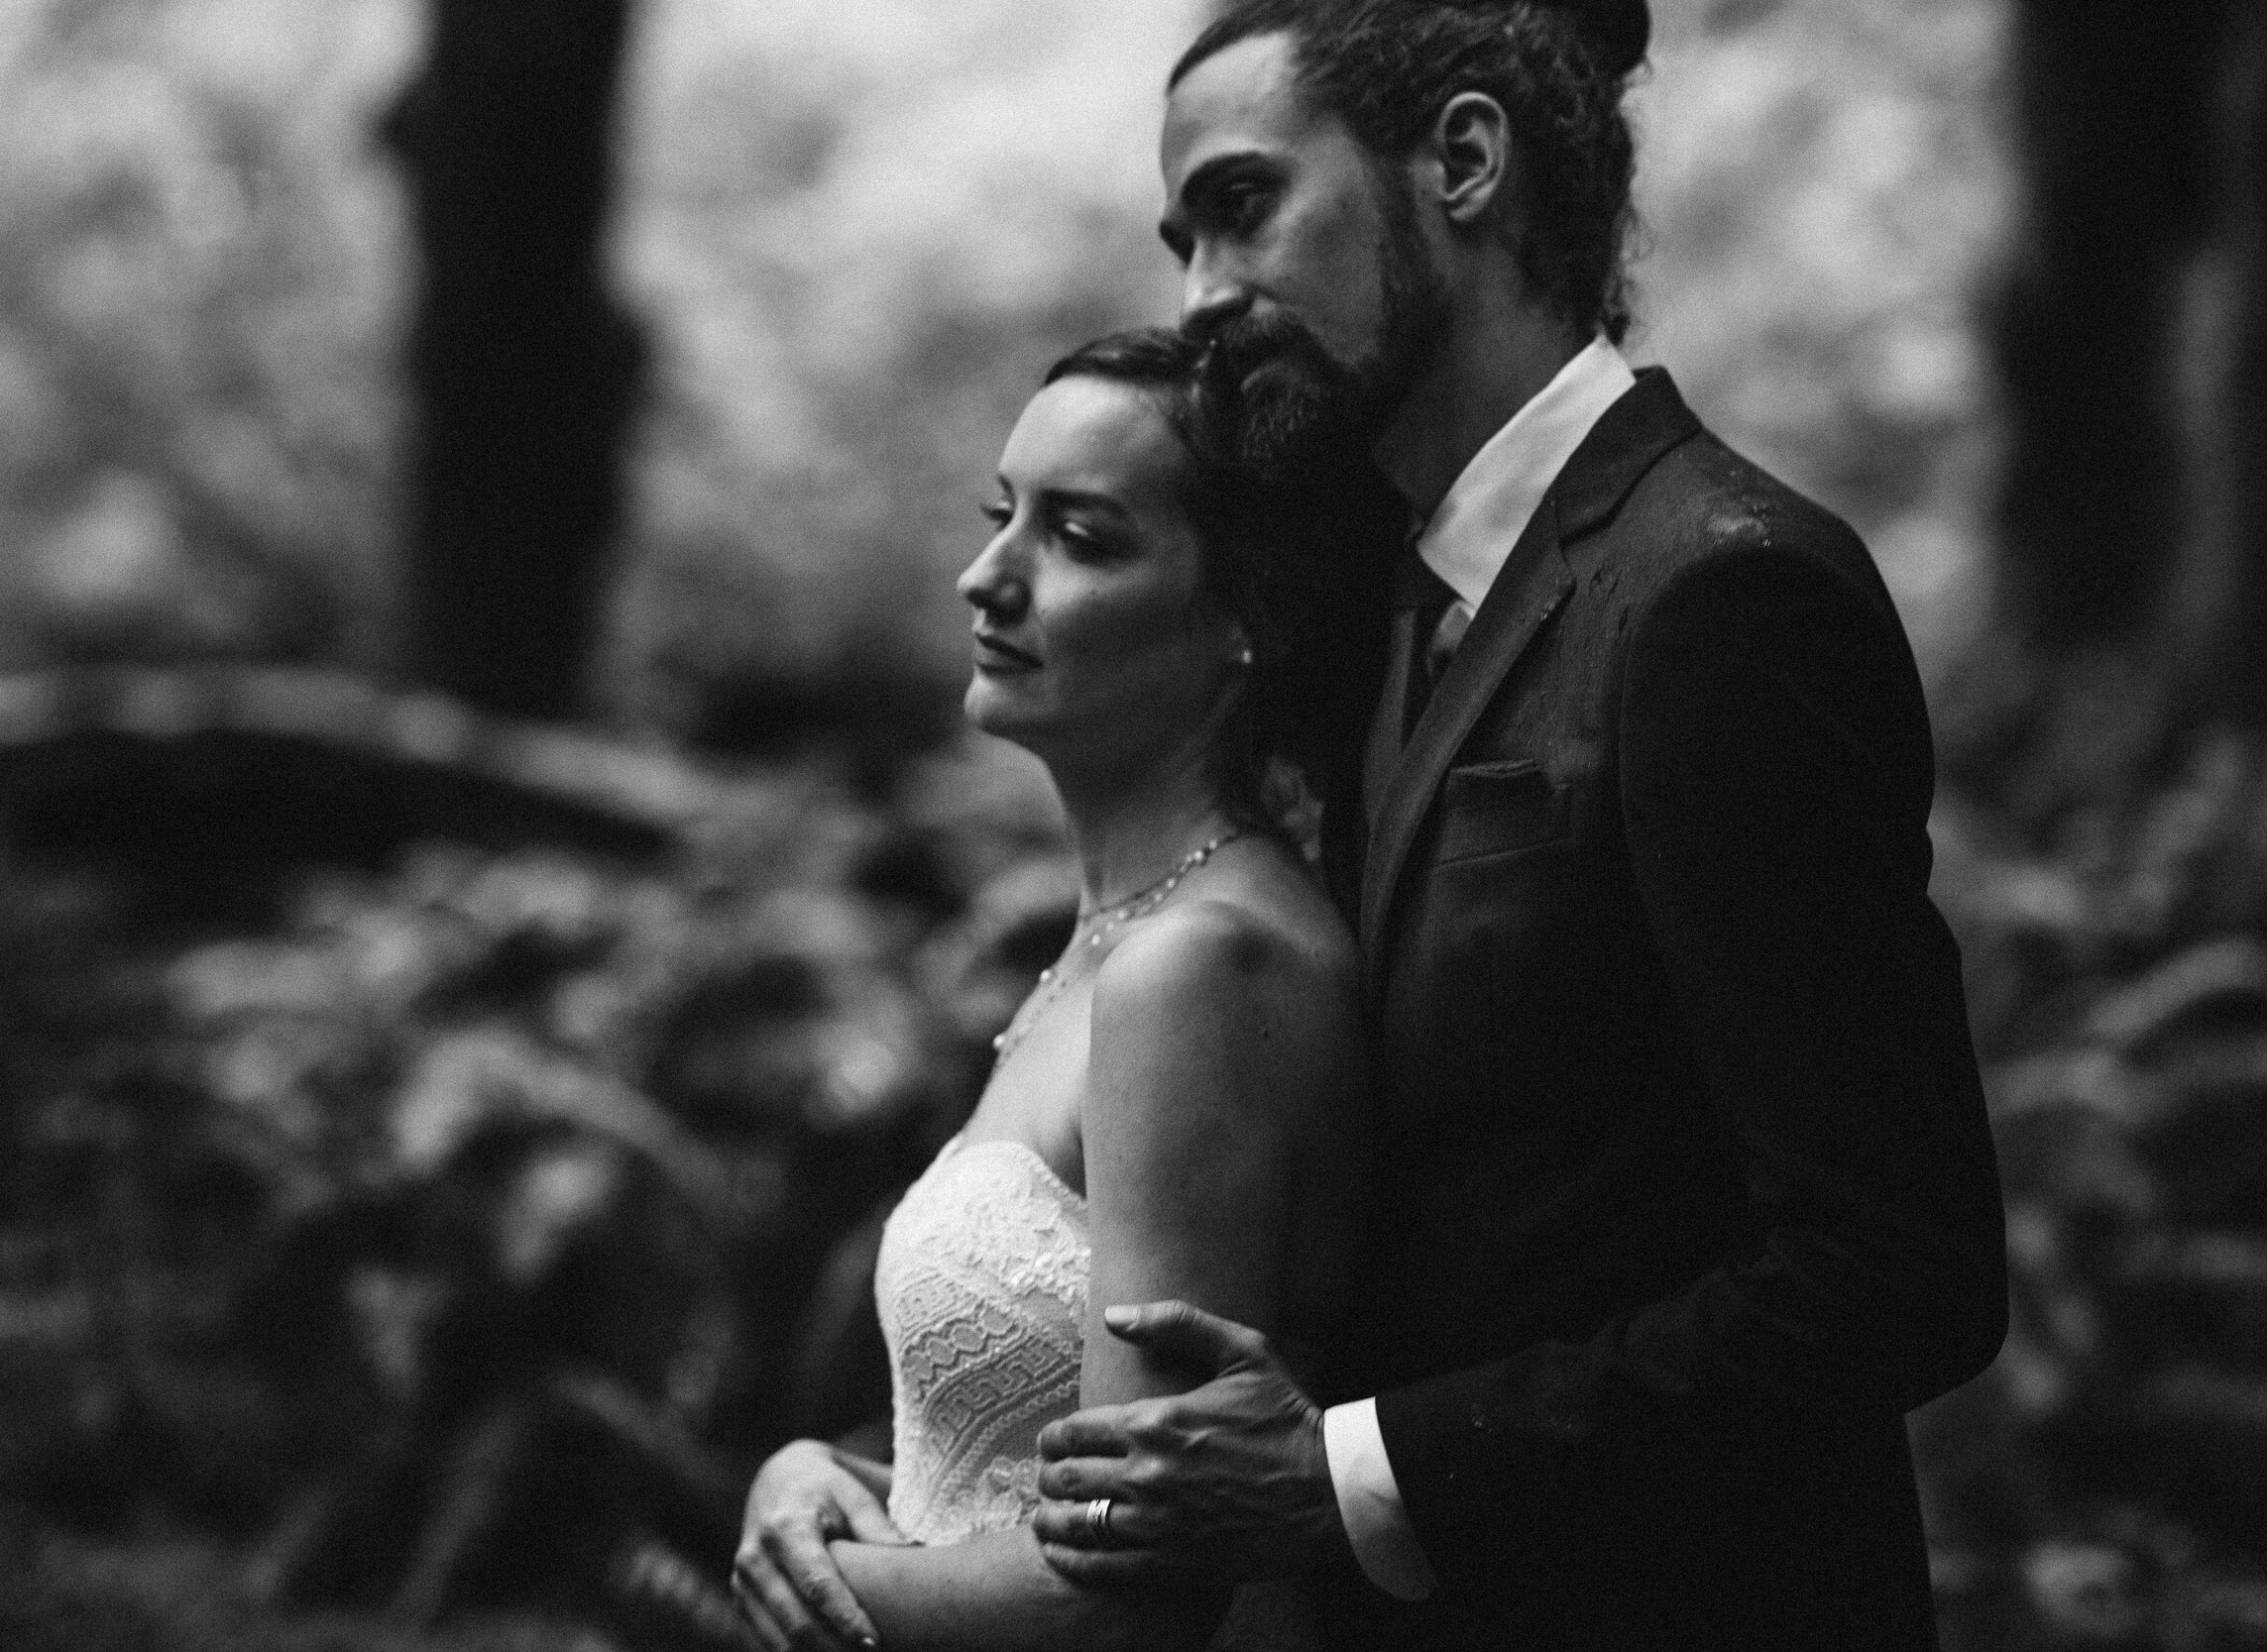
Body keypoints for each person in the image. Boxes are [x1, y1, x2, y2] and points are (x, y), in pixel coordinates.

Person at [1020, 3, 2013, 1649]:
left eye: (1245, 207)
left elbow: (1892, 1273)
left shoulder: (1720, 590)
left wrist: (1355, 1472)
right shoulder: (1395, 617)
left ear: (1464, 163)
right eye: (1181, 239)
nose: (1198, 300)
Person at [730, 330, 1390, 1652]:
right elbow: (1016, 1475)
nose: (988, 577)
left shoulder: (1202, 970)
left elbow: (1129, 1593)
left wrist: (803, 1598)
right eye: (1002, 515)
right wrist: (812, 1484)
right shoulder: (1114, 944)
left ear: (1246, 618)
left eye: (1079, 537)